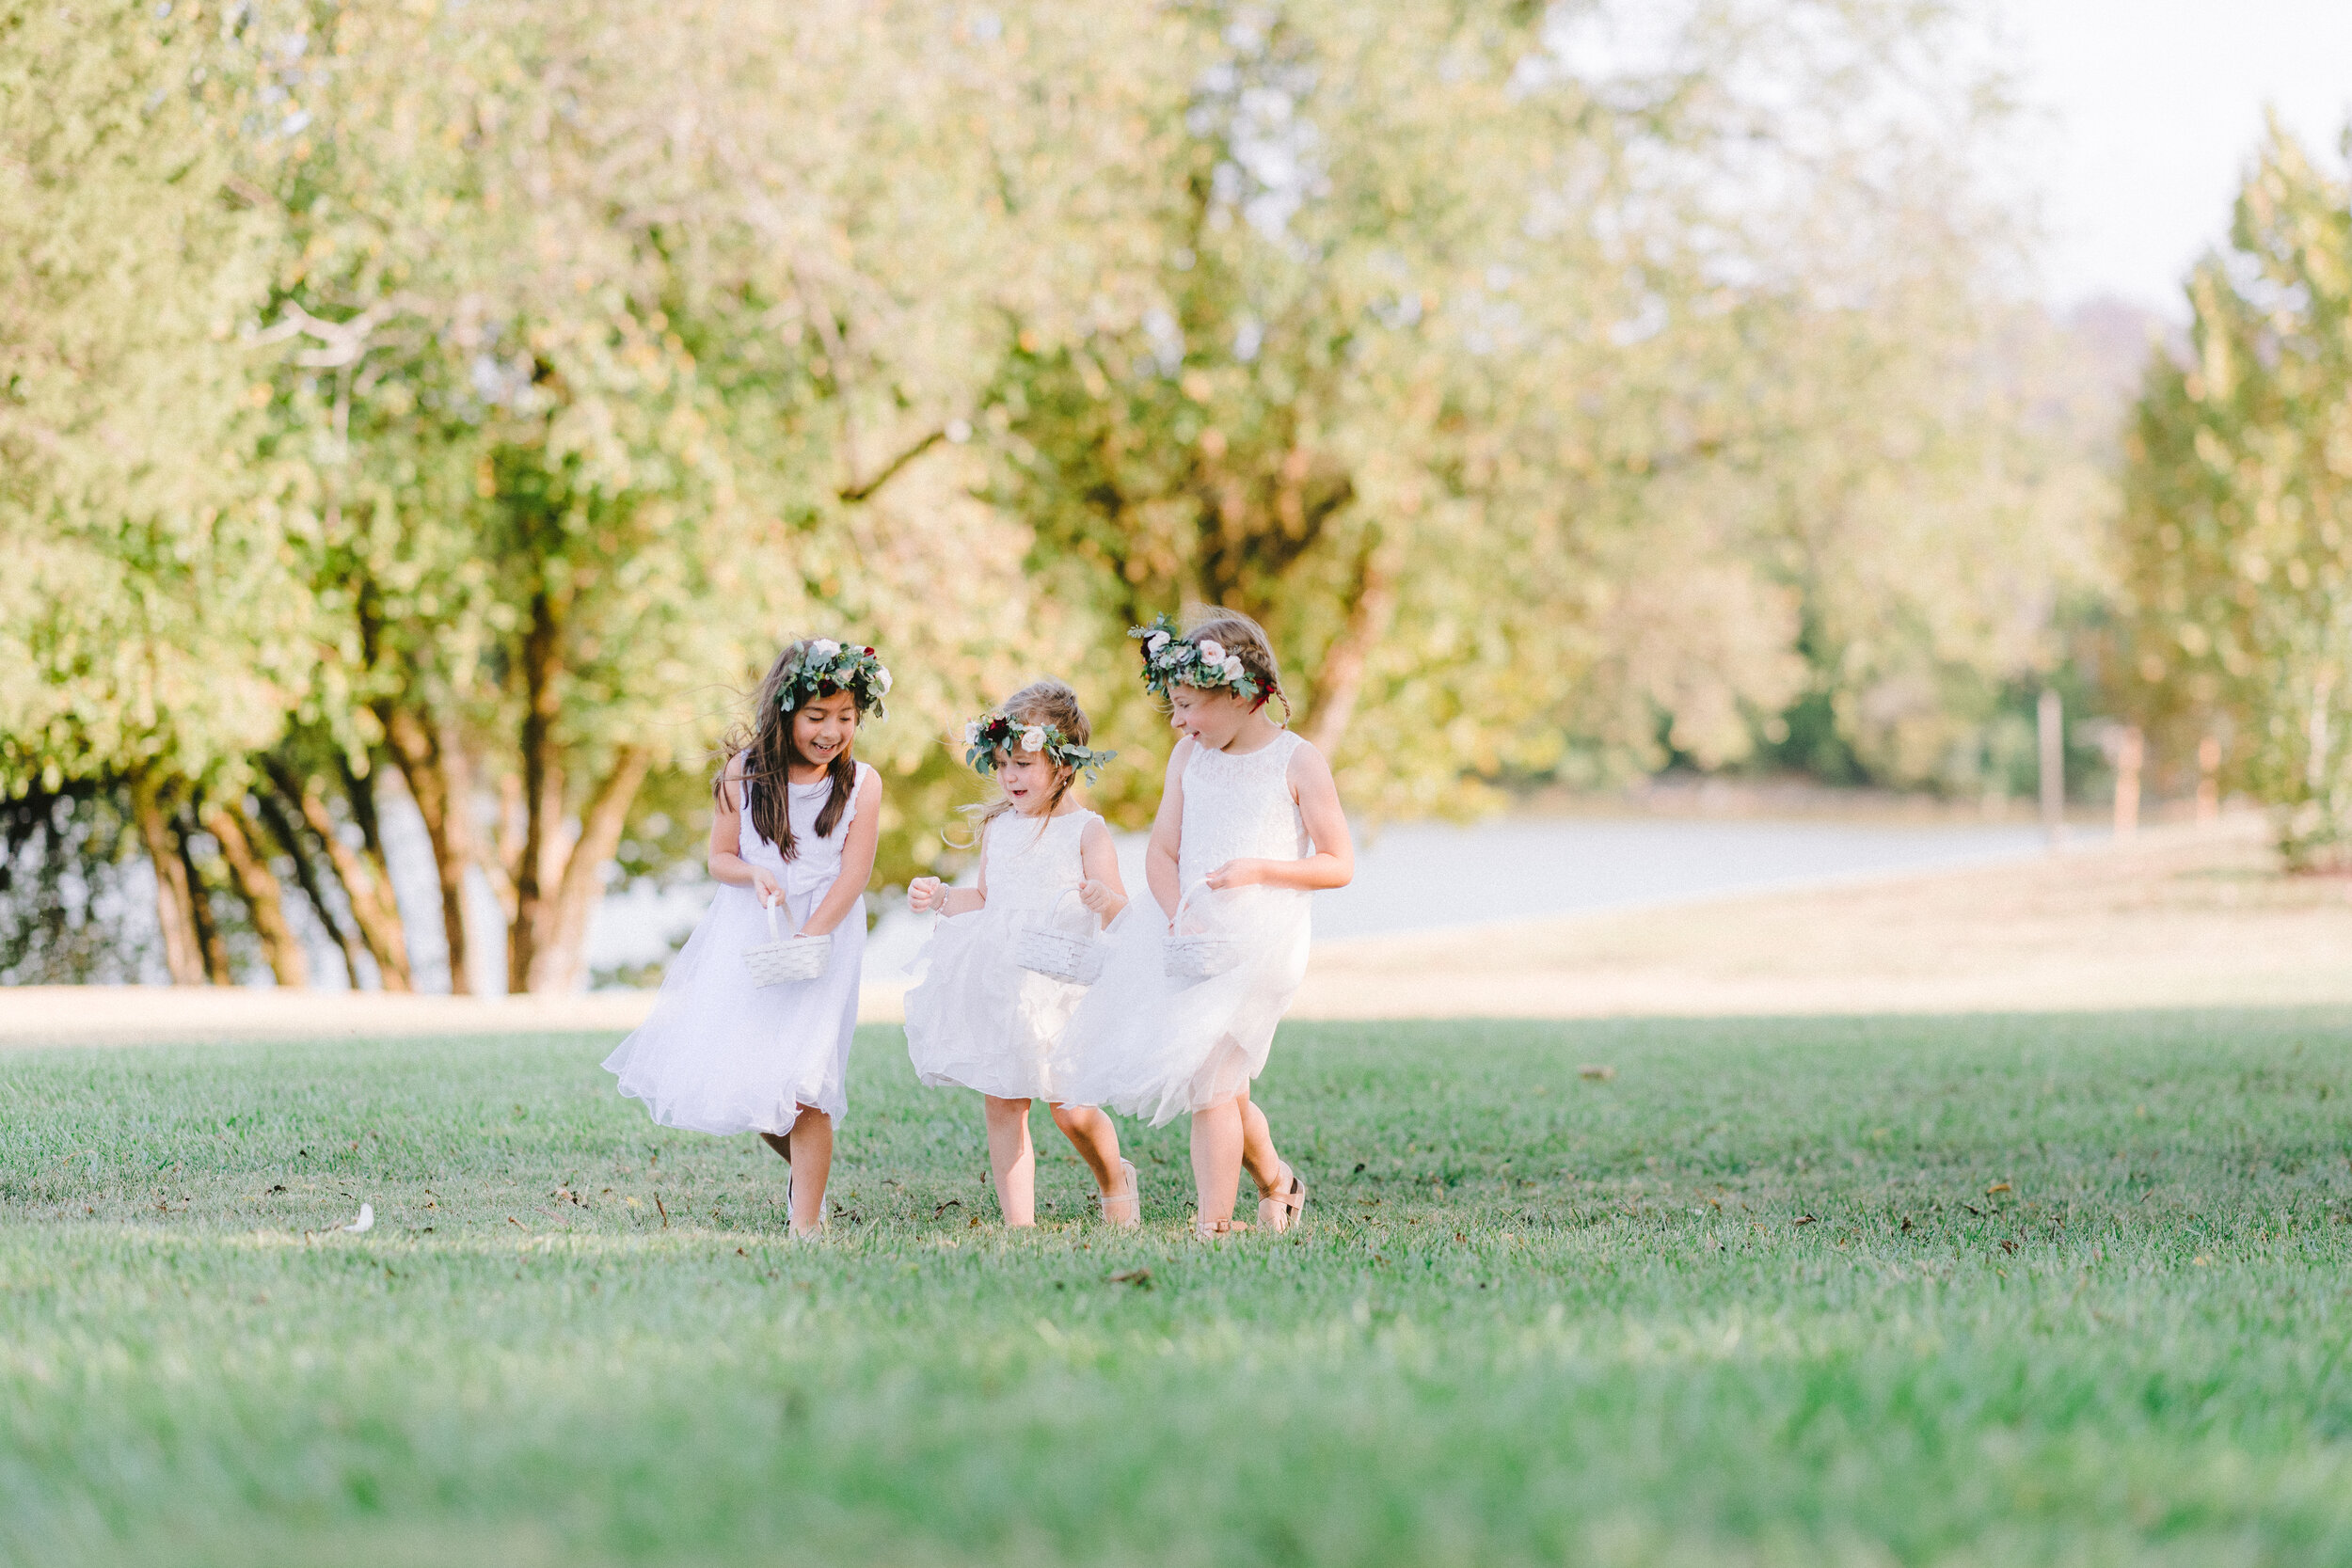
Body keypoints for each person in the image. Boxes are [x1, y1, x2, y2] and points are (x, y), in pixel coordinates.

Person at [1059, 610, 1354, 1237]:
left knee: (1211, 1077)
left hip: (1264, 940)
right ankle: (1277, 1180)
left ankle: (1213, 1224)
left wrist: (1258, 870)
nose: (1179, 720)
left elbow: (1338, 863)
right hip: (1193, 937)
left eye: (1189, 704)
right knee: (1222, 1078)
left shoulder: (1298, 762)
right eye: (1174, 706)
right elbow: (1162, 852)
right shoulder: (1188, 757)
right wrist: (1178, 914)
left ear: (1243, 693)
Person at [603, 637, 888, 1239]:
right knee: (755, 1084)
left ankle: (805, 1224)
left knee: (806, 1082)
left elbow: (854, 872)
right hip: (754, 928)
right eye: (817, 716)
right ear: (785, 710)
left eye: (845, 718)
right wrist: (754, 872)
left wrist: (809, 939)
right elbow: (720, 858)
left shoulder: (863, 783)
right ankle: (807, 1177)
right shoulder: (744, 774)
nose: (832, 731)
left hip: (827, 933)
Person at [903, 681, 1141, 1228]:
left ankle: (1114, 1178)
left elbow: (1118, 906)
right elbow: (985, 899)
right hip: (1004, 983)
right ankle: (1021, 1227)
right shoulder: (998, 828)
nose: (1010, 777)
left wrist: (1101, 898)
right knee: (1004, 1102)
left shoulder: (1087, 830)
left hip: (1063, 983)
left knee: (1072, 1109)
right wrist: (942, 897)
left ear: (1063, 765)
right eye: (1002, 763)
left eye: (1024, 764)